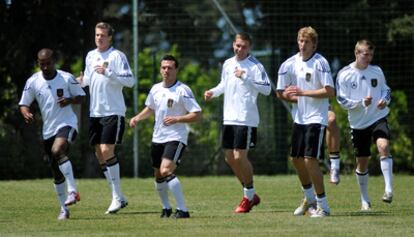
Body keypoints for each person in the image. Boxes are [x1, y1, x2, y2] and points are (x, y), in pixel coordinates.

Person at [204, 32, 271, 213]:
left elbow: (267, 89)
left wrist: (246, 77)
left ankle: (248, 198)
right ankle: (251, 193)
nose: (240, 49)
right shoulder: (227, 63)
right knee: (229, 158)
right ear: (233, 44)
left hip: (246, 118)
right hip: (229, 118)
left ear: (249, 47)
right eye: (237, 45)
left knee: (240, 157)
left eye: (244, 46)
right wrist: (213, 92)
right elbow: (224, 85)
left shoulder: (255, 66)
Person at [129, 55, 201, 218]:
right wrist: (137, 118)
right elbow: (150, 108)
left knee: (165, 170)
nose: (166, 70)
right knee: (158, 175)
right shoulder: (155, 89)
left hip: (176, 137)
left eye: (170, 67)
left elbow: (197, 115)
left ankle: (183, 210)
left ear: (176, 69)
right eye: (163, 67)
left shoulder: (183, 90)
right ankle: (166, 207)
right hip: (157, 138)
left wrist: (178, 119)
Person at [19, 48, 85, 220]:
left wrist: (70, 100)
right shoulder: (33, 81)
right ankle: (64, 209)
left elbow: (81, 96)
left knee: (58, 150)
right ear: (38, 63)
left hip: (67, 123)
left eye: (48, 63)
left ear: (54, 61)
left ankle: (73, 191)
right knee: (56, 172)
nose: (46, 67)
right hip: (48, 130)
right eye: (42, 64)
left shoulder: (66, 78)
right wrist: (25, 112)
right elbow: (24, 103)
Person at [77, 22, 135, 214]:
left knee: (106, 149)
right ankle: (118, 195)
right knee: (99, 154)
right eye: (97, 35)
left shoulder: (117, 56)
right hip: (95, 112)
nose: (99, 38)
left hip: (113, 111)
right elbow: (87, 80)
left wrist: (109, 72)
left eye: (102, 35)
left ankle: (116, 198)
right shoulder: (90, 56)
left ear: (110, 37)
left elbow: (130, 81)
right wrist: (78, 82)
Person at [276, 26, 334, 217]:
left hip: (317, 118)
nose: (303, 44)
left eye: (307, 41)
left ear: (314, 44)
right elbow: (280, 93)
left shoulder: (321, 63)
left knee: (310, 160)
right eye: (300, 41)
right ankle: (309, 198)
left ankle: (323, 206)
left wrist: (302, 92)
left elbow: (329, 91)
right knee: (296, 159)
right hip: (299, 118)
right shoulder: (289, 64)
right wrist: (292, 95)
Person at [336, 39, 393, 211]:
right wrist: (361, 103)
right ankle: (364, 199)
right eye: (365, 54)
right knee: (362, 162)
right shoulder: (345, 73)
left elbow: (386, 89)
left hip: (378, 117)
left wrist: (385, 100)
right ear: (356, 53)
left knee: (383, 146)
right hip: (358, 124)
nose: (368, 58)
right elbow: (341, 99)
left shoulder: (377, 71)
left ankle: (389, 190)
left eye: (370, 54)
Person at [327, 109, 341, 184]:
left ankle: (335, 167)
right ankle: (307, 188)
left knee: (331, 120)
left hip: (319, 103)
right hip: (303, 110)